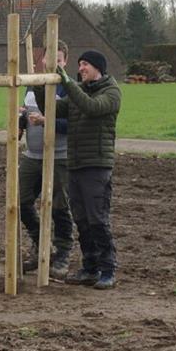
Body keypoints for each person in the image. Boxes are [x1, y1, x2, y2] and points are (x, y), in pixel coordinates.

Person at [38, 49, 122, 290]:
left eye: (85, 64)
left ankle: (108, 269)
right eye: (79, 65)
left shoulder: (111, 92)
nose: (81, 68)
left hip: (96, 165)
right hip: (75, 164)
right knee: (82, 220)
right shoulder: (80, 92)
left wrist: (66, 81)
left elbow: (91, 108)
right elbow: (50, 109)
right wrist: (41, 84)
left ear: (98, 68)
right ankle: (89, 267)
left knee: (97, 219)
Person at [18, 41, 74, 279]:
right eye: (48, 59)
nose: (51, 63)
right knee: (21, 201)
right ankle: (41, 242)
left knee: (59, 206)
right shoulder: (32, 85)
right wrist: (21, 119)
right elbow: (26, 113)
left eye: (58, 60)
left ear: (65, 62)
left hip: (60, 156)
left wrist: (46, 121)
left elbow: (73, 124)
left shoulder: (70, 89)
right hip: (32, 155)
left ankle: (62, 252)